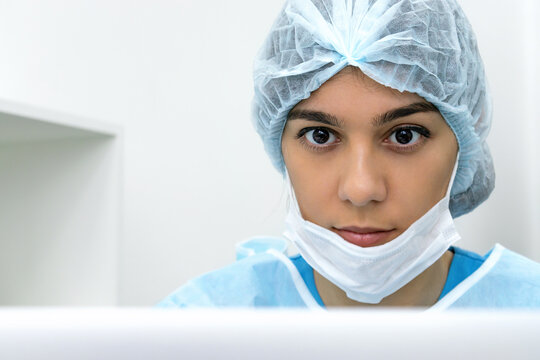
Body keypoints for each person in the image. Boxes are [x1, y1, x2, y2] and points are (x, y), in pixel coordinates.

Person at [158, 0, 540, 308]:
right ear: (280, 145)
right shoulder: (199, 327)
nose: (361, 189)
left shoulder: (527, 315)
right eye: (320, 135)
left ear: (464, 140)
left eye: (404, 135)